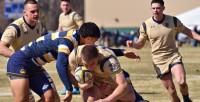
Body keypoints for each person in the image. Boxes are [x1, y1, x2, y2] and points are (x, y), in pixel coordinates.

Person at [6, 22, 101, 102]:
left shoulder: (76, 39)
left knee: (50, 97)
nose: (94, 44)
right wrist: (69, 88)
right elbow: (60, 65)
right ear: (88, 38)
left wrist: (78, 85)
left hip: (35, 66)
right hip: (20, 61)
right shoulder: (68, 41)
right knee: (22, 100)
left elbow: (99, 50)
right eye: (94, 41)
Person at [126, 0, 200, 102]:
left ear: (163, 8)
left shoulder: (173, 20)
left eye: (158, 8)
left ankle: (186, 98)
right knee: (172, 91)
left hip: (173, 56)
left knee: (181, 81)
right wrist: (133, 44)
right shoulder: (145, 25)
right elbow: (140, 44)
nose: (155, 10)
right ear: (151, 9)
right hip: (159, 60)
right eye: (153, 8)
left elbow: (188, 32)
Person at [0, 0, 49, 101]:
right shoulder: (15, 27)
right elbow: (1, 48)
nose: (36, 14)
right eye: (32, 11)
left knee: (51, 97)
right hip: (17, 65)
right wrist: (19, 56)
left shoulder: (39, 25)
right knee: (24, 100)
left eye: (37, 11)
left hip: (34, 65)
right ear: (25, 12)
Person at [68, 45, 148, 102]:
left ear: (97, 57)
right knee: (90, 100)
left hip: (110, 79)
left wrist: (107, 99)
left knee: (130, 98)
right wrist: (80, 85)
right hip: (94, 81)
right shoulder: (75, 55)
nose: (89, 68)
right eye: (85, 65)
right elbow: (67, 73)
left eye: (92, 64)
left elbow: (123, 85)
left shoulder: (109, 61)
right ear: (81, 59)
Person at [57, 0, 84, 95]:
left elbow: (82, 27)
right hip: (64, 44)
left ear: (70, 5)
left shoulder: (74, 15)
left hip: (74, 43)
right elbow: (59, 29)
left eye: (67, 5)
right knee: (66, 65)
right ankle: (70, 86)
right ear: (60, 5)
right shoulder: (61, 16)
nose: (65, 7)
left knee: (72, 65)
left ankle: (76, 86)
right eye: (63, 5)